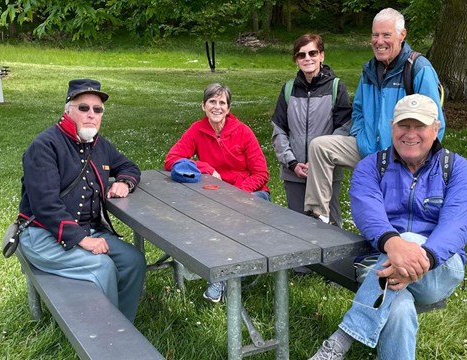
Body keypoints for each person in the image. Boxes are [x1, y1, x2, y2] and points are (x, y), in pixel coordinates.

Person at [308, 94, 467, 360]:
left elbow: (457, 225)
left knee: (409, 238)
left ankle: (341, 341)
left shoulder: (458, 169)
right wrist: (393, 245)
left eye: (419, 126)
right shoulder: (370, 167)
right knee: (398, 306)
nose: (411, 134)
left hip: (440, 268)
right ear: (392, 127)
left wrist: (418, 255)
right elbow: (368, 214)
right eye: (404, 125)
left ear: (436, 129)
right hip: (380, 262)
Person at [18, 79, 146, 323]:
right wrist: (81, 239)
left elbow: (128, 166)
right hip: (43, 236)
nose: (91, 115)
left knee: (133, 261)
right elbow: (45, 206)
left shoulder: (99, 144)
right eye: (83, 108)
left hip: (90, 230)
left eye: (97, 110)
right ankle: (105, 335)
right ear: (68, 111)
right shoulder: (44, 146)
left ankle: (122, 325)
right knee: (103, 268)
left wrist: (124, 182)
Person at [304, 8, 445, 224]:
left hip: (402, 156)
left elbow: (436, 124)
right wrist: (362, 137)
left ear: (402, 35)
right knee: (320, 146)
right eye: (375, 35)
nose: (379, 41)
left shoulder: (418, 69)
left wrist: (412, 159)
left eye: (386, 35)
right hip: (368, 149)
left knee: (387, 213)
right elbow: (358, 109)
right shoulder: (369, 70)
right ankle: (319, 217)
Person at [164, 83, 270, 302]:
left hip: (251, 194)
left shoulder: (243, 132)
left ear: (229, 108)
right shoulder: (197, 129)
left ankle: (220, 278)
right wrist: (206, 168)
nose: (217, 107)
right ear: (203, 105)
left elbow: (261, 174)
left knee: (230, 219)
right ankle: (218, 271)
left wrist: (235, 195)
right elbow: (171, 160)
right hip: (214, 196)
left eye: (222, 102)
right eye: (212, 101)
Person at [271, 33, 352, 227]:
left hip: (326, 173)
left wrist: (319, 162)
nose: (307, 58)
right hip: (294, 173)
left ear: (322, 55)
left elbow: (344, 128)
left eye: (312, 53)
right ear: (296, 60)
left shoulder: (336, 87)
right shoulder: (288, 89)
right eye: (301, 55)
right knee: (298, 230)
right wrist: (292, 163)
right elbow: (279, 129)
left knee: (330, 229)